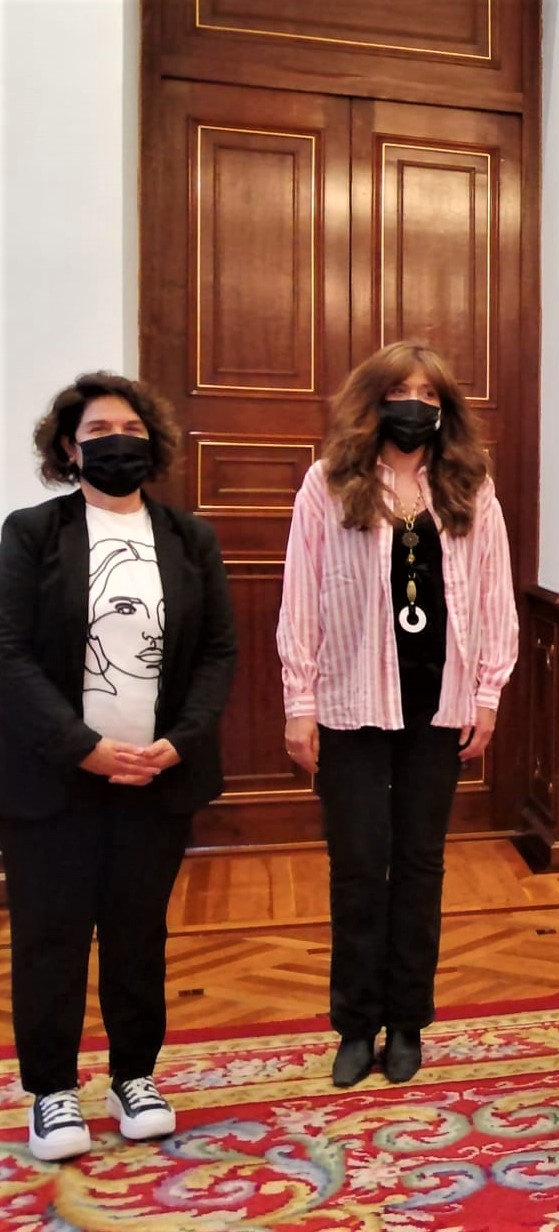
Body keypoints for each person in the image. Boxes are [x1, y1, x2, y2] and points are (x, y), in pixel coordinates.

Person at [0, 373, 236, 1161]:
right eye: (99, 431)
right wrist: (83, 748)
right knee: (51, 936)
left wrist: (180, 742)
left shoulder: (189, 538)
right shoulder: (32, 533)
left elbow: (217, 652)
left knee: (138, 936)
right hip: (53, 779)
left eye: (131, 429)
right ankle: (52, 1090)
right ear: (70, 449)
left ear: (153, 443)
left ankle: (134, 1076)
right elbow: (8, 652)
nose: (117, 441)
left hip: (156, 779)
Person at [278, 341, 518, 1089]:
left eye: (429, 394)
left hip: (437, 707)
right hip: (350, 703)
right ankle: (356, 1024)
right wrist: (299, 703)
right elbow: (301, 595)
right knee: (357, 867)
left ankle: (408, 1020)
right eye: (400, 391)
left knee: (419, 865)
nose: (415, 404)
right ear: (374, 401)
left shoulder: (470, 488)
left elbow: (494, 595)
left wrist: (487, 693)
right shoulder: (328, 483)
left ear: (445, 408)